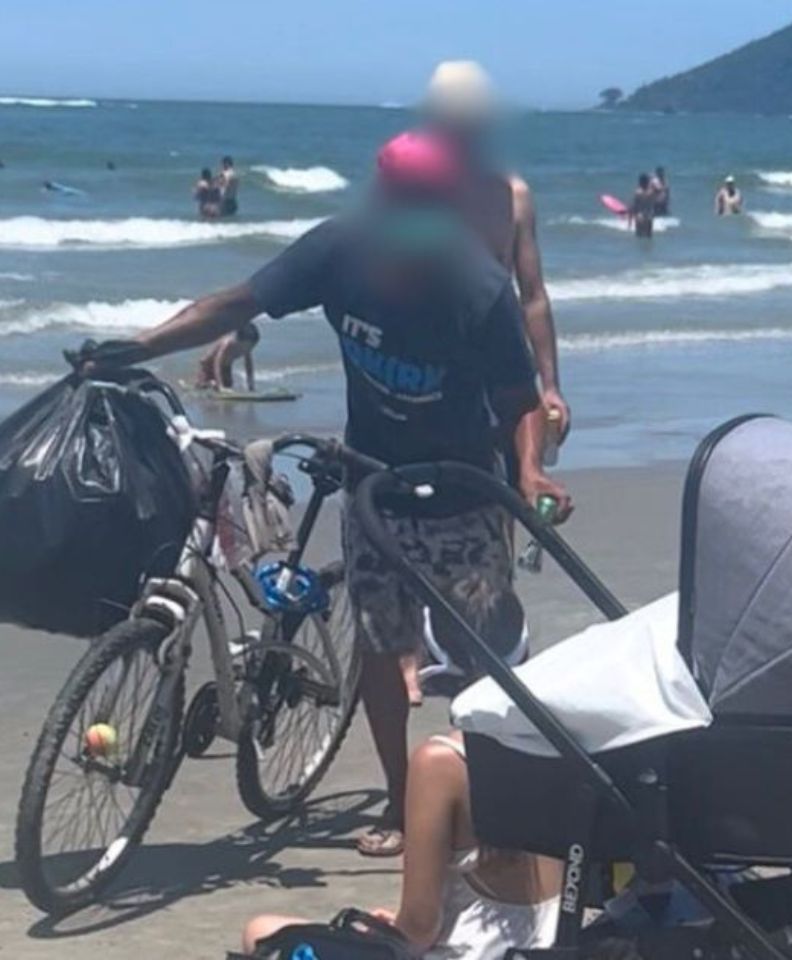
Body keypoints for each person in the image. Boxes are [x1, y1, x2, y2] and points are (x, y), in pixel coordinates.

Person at [116, 130, 571, 857]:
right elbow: (234, 302)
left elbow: (518, 400)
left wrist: (529, 472)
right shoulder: (339, 249)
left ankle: (479, 796)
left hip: (463, 492)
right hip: (373, 485)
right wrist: (138, 346)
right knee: (380, 648)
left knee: (477, 657)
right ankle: (401, 802)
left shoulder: (476, 287)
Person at [242, 732, 561, 959]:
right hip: (549, 943)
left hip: (468, 951)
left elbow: (419, 929)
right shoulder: (557, 741)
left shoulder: (443, 760)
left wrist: (389, 928)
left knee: (262, 931)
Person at [422, 61, 569, 438]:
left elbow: (533, 296)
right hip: (424, 366)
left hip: (499, 366)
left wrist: (551, 387)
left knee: (508, 482)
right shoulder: (415, 193)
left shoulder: (513, 195)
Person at [194, 322, 259, 392]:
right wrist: (220, 386)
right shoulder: (227, 344)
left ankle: (213, 384)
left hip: (225, 367)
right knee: (204, 386)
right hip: (207, 365)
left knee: (229, 386)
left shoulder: (247, 347)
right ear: (238, 340)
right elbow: (216, 363)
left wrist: (251, 386)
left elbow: (248, 366)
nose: (248, 348)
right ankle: (208, 383)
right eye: (246, 345)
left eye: (251, 346)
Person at [630, 172, 657, 238]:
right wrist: (652, 179)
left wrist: (630, 219)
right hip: (649, 215)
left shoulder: (637, 192)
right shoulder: (651, 192)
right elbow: (658, 189)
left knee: (639, 236)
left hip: (640, 216)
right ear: (647, 182)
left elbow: (634, 206)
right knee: (649, 236)